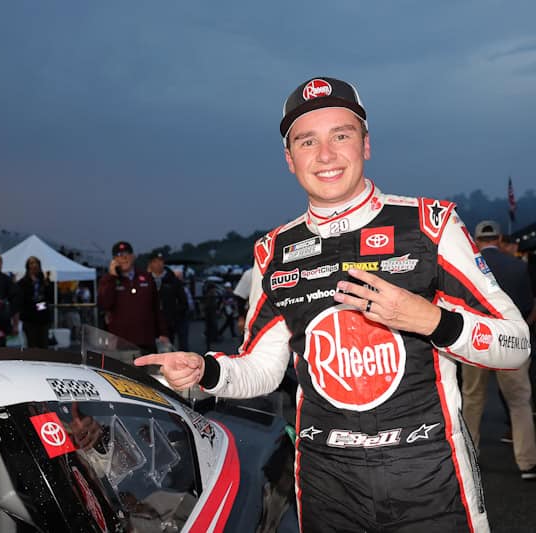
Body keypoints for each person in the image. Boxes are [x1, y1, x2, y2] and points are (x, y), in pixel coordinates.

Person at [135, 76, 530, 532]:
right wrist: (206, 371)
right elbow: (262, 367)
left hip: (429, 480)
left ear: (366, 144)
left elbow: (516, 344)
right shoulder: (274, 251)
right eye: (308, 141)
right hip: (327, 486)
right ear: (289, 159)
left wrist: (433, 321)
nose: (325, 154)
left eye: (341, 135)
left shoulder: (430, 225)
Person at [461, 220, 536, 478]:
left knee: (471, 400)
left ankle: (470, 458)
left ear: (476, 239)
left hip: (476, 339)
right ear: (499, 238)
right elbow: (529, 305)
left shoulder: (467, 266)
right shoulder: (517, 266)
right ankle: (527, 462)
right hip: (510, 340)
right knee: (519, 402)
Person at [98, 241, 169, 353]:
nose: (124, 258)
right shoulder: (107, 281)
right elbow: (104, 304)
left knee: (149, 370)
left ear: (133, 256)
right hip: (120, 342)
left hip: (146, 340)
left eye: (127, 254)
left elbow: (156, 308)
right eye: (120, 256)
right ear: (114, 260)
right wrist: (111, 277)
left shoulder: (147, 278)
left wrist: (163, 333)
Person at [147, 252, 188, 348]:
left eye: (160, 261)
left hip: (169, 323)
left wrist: (173, 314)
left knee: (167, 349)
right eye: (155, 262)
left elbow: (183, 302)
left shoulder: (173, 280)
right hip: (150, 323)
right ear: (150, 263)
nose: (158, 264)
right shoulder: (145, 279)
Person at [17, 256, 53, 349]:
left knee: (44, 346)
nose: (34, 265)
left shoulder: (44, 281)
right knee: (32, 346)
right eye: (32, 263)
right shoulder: (22, 283)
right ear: (28, 266)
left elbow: (50, 299)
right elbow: (23, 301)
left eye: (36, 263)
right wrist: (38, 306)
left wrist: (47, 283)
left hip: (43, 319)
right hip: (29, 320)